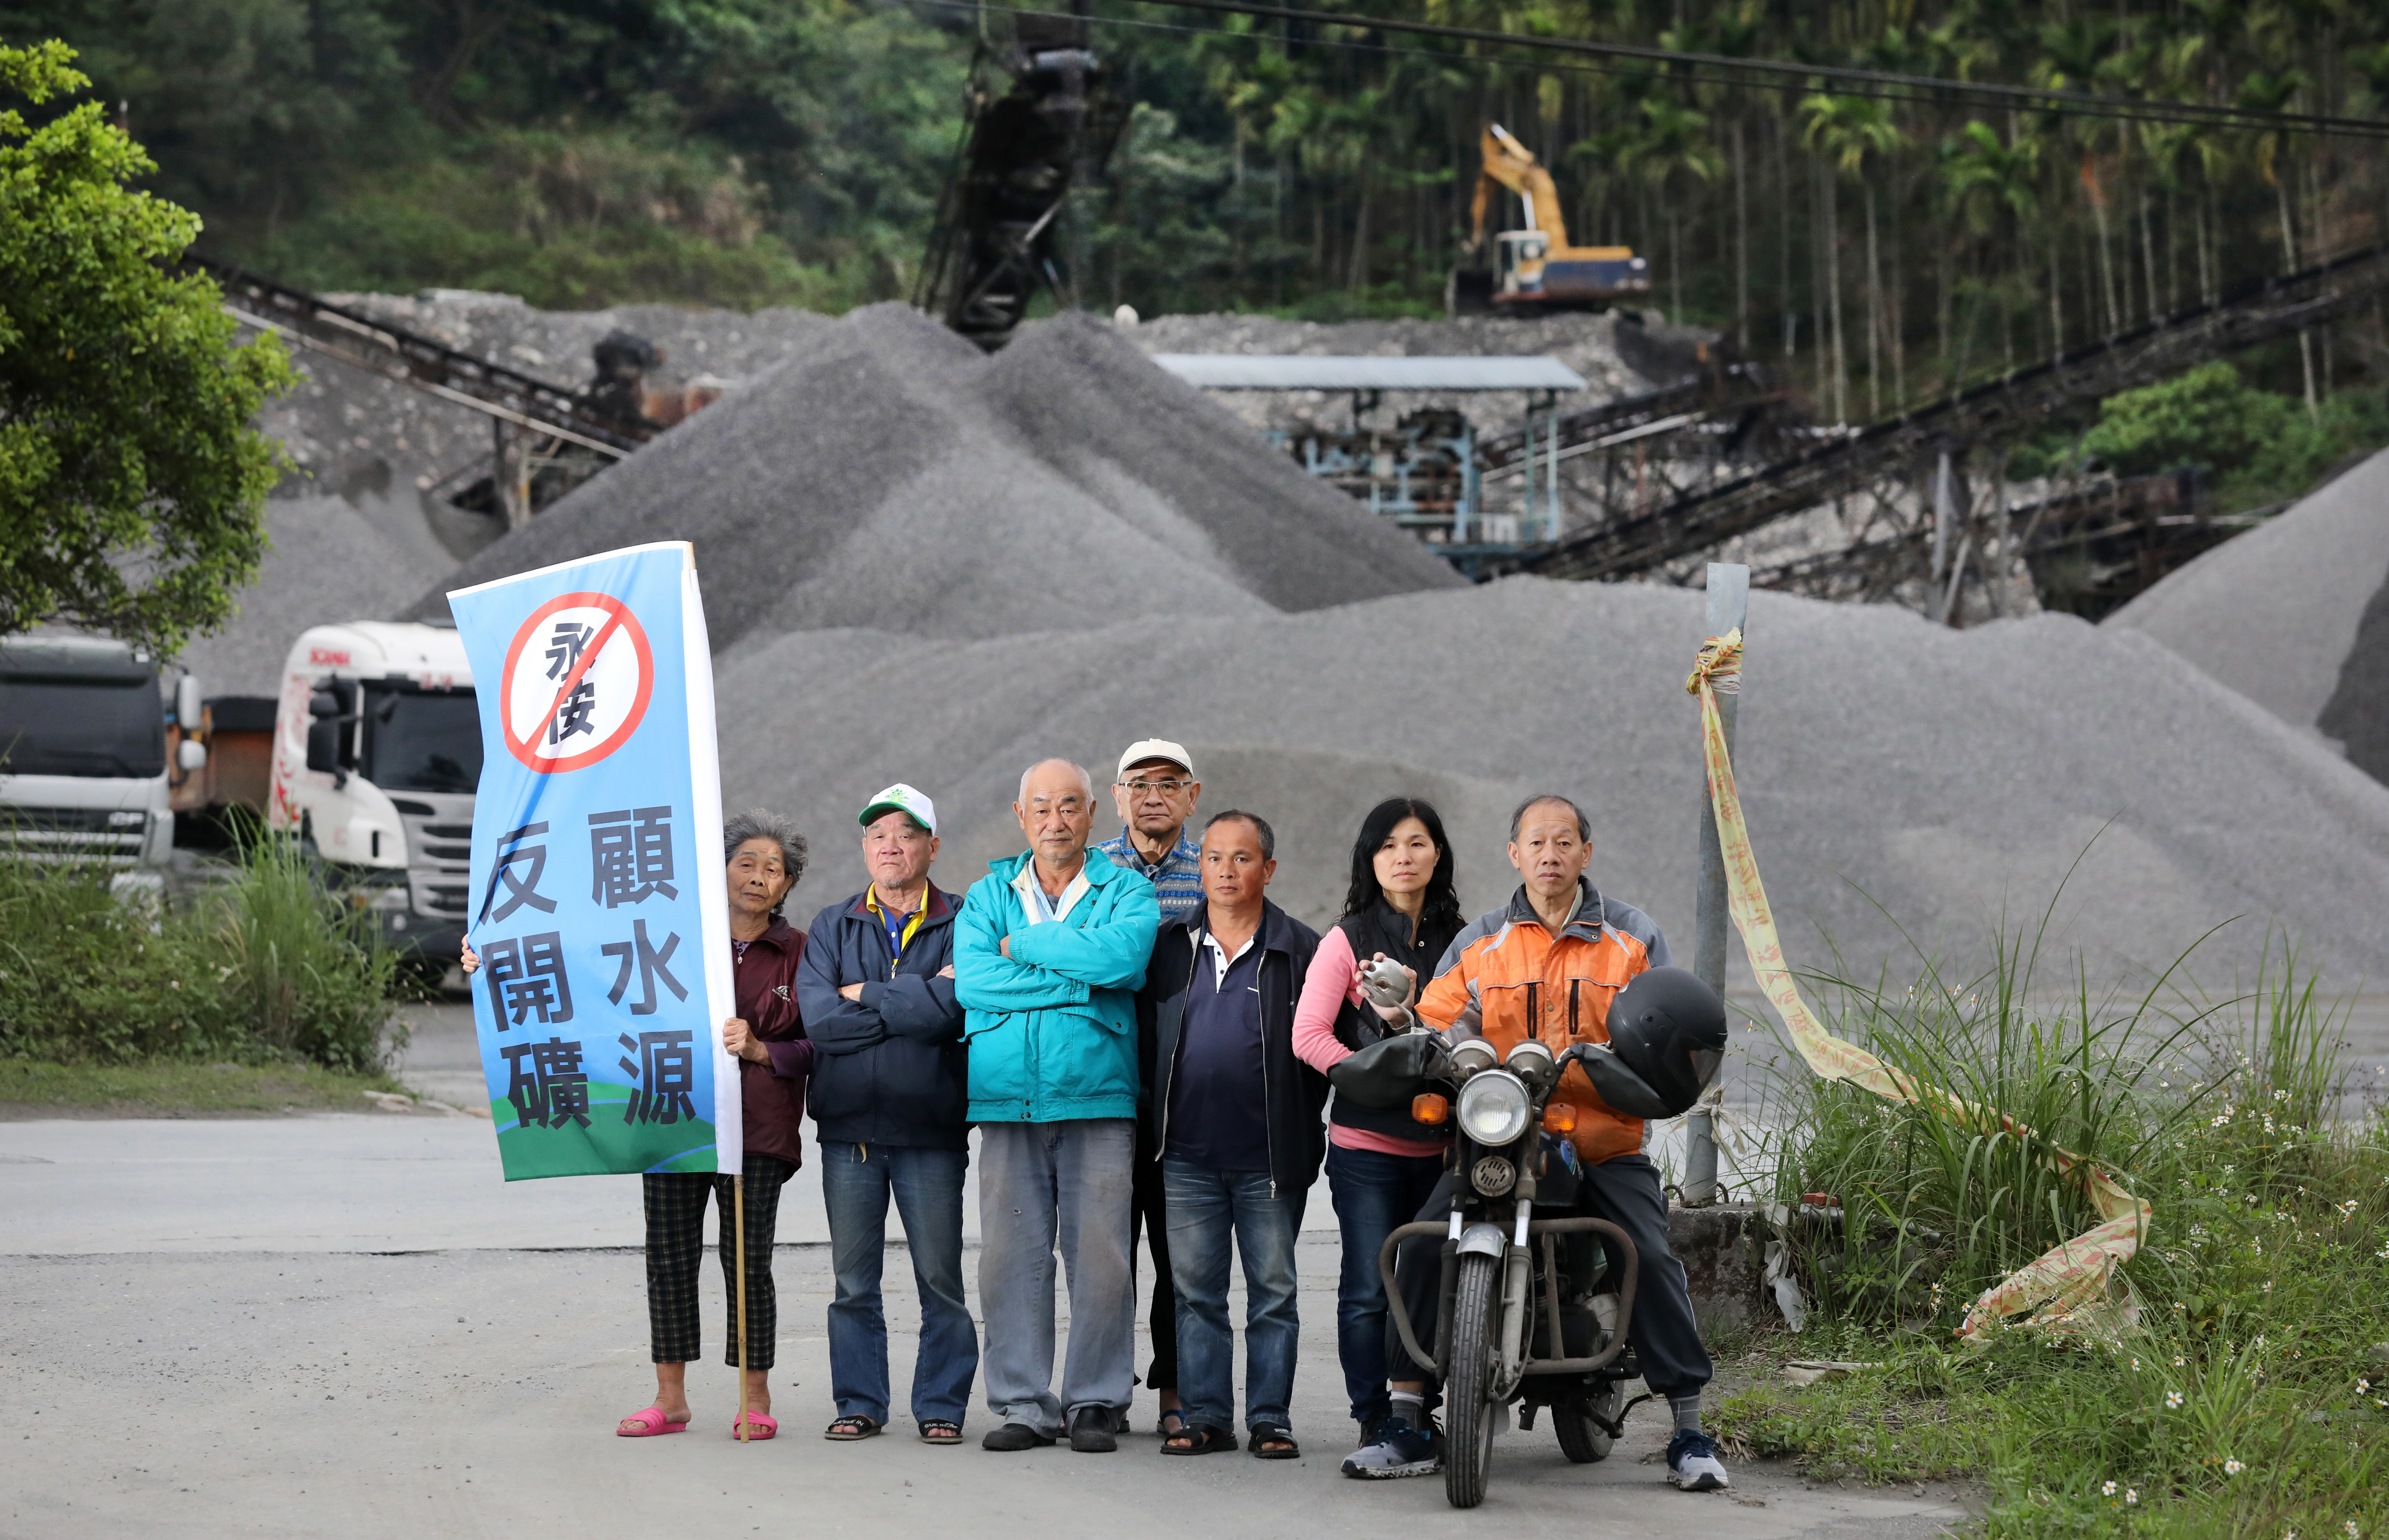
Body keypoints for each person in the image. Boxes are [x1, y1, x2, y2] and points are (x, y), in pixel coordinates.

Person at [1342, 794, 1731, 1494]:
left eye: (1563, 842)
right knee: (1424, 1242)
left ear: (1586, 852)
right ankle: (1405, 1418)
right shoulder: (1481, 942)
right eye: (1535, 843)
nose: (1549, 855)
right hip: (1498, 1132)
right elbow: (1442, 1017)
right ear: (1513, 854)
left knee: (1645, 1248)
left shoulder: (1632, 937)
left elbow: (1663, 1023)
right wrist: (1402, 1012)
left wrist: (1627, 1061)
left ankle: (1689, 1427)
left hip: (1603, 1138)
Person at [459, 808, 813, 1443]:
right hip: (670, 1117)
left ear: (788, 887)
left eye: (774, 870)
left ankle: (753, 1399)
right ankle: (669, 1398)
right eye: (747, 864)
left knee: (747, 1263)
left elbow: (821, 1042)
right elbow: (576, 968)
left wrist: (765, 1050)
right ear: (719, 870)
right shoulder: (662, 934)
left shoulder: (800, 954)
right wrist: (492, 958)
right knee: (669, 1259)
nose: (760, 878)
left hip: (756, 1131)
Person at [954, 758, 1160, 1454]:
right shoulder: (987, 895)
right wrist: (1075, 985)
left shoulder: (1126, 890)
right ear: (1021, 816)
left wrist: (1032, 948)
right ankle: (1022, 1404)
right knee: (1010, 1256)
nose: (1055, 820)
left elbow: (1123, 963)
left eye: (1069, 806)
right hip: (1008, 1101)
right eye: (1041, 807)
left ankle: (1097, 1400)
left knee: (1102, 1255)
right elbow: (976, 984)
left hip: (1097, 1097)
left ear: (1093, 814)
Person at [1135, 811, 1326, 1459]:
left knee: (1273, 1295)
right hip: (1184, 1157)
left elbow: (1332, 1046)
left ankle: (1271, 1419)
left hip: (1269, 1159)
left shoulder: (1303, 949)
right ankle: (1208, 1416)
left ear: (1267, 869)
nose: (1225, 870)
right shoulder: (1168, 946)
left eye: (1241, 859)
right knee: (1195, 1295)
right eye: (1214, 857)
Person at [797, 782, 977, 1445]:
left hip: (932, 1131)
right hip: (850, 1135)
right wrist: (912, 1007)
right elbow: (820, 1021)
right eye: (878, 836)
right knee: (852, 1282)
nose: (891, 846)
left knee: (941, 1278)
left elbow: (955, 1012)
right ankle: (860, 1402)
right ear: (864, 848)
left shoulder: (967, 919)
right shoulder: (831, 923)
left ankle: (941, 1405)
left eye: (906, 834)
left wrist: (868, 994)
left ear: (933, 845)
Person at [1289, 798, 1466, 1449]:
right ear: (1371, 858)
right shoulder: (1347, 938)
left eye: (1417, 843)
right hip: (1365, 1145)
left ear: (1438, 854)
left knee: (1438, 1274)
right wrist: (1366, 1075)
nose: (1403, 857)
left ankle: (1420, 1411)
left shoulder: (1466, 939)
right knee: (1369, 1282)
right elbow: (1307, 1036)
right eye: (1389, 845)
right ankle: (1373, 1416)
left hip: (1447, 1145)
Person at [1093, 737, 1202, 1436]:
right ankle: (1102, 1392)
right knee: (1104, 1253)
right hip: (1103, 1086)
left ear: (1193, 795)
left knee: (1177, 1256)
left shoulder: (1216, 868)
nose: (1153, 795)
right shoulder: (1089, 870)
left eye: (1170, 783)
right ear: (1117, 795)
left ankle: (1175, 1391)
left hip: (1184, 1093)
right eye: (1140, 783)